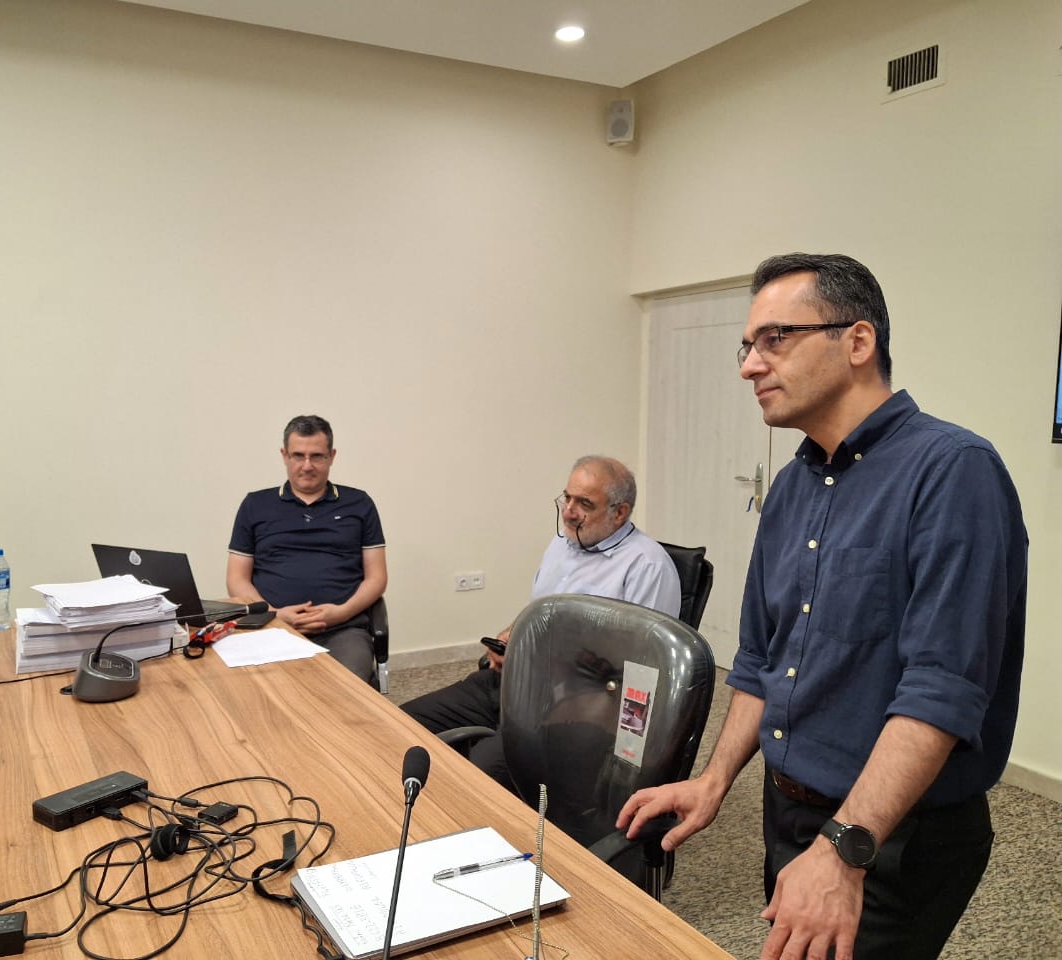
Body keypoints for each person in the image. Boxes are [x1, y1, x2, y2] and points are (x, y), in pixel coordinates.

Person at [617, 253, 1028, 960]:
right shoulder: (792, 485)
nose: (750, 365)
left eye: (775, 338)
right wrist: (714, 781)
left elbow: (941, 690)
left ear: (858, 341)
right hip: (791, 811)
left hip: (890, 835)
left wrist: (842, 851)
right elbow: (760, 659)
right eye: (747, 345)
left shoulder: (953, 471)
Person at [401, 455, 681, 789]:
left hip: (580, 709)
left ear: (620, 512)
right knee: (401, 725)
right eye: (567, 498)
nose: (569, 511)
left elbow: (642, 671)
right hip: (519, 682)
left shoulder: (647, 566)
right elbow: (540, 610)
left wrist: (549, 660)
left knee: (477, 777)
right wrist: (514, 634)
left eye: (584, 504)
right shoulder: (564, 543)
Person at [227, 415, 387, 683]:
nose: (307, 465)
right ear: (284, 455)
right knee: (262, 689)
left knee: (347, 690)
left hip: (343, 629)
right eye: (298, 455)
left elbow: (377, 577)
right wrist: (275, 615)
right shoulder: (255, 505)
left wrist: (341, 613)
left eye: (317, 456)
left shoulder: (360, 503)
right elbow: (236, 578)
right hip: (272, 627)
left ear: (332, 456)